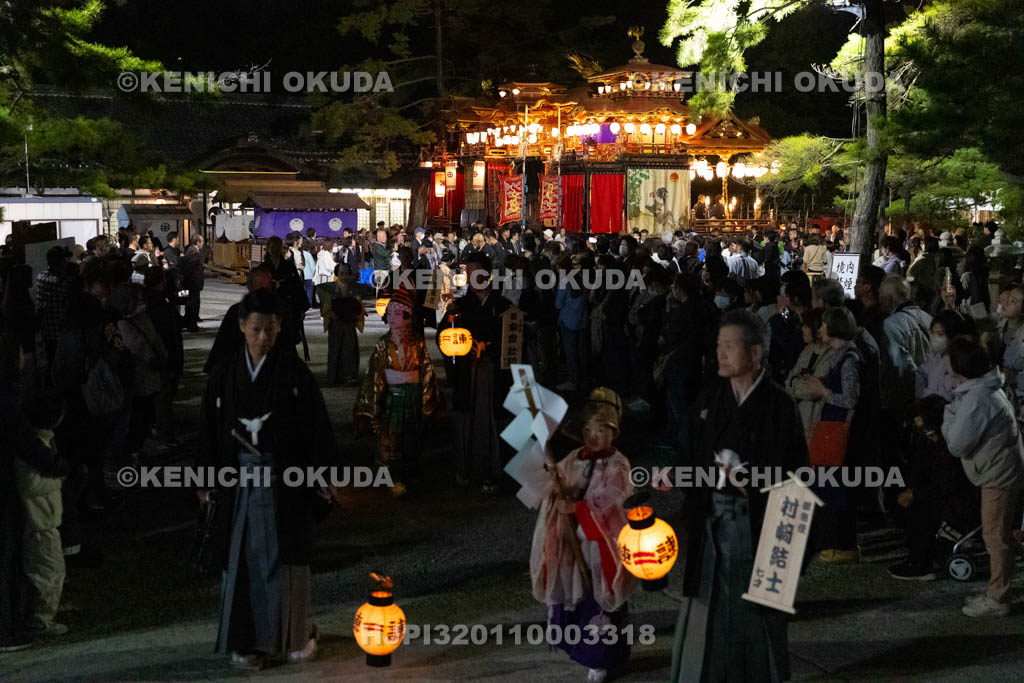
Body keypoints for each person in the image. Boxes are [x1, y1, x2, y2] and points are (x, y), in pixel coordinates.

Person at [198, 289, 340, 668]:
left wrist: (323, 473)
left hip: (287, 481)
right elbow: (209, 431)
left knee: (289, 560)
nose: (263, 338)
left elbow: (317, 427)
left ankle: (294, 637)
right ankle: (245, 642)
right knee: (241, 559)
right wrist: (205, 478)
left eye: (271, 330)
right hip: (238, 479)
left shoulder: (294, 374)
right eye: (256, 328)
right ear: (241, 326)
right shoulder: (225, 374)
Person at [671, 309, 807, 683]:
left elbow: (796, 479)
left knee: (758, 627)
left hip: (757, 528)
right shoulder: (710, 398)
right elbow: (688, 451)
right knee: (707, 617)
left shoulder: (779, 406)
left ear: (756, 353)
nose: (721, 354)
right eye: (719, 346)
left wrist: (750, 481)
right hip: (713, 528)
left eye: (730, 346)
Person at [530, 387, 634, 683]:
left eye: (601, 429)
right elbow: (553, 486)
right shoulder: (573, 458)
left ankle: (600, 658)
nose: (594, 436)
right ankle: (579, 650)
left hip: (600, 547)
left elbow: (614, 501)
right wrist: (553, 489)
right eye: (588, 429)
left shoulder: (619, 465)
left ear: (613, 432)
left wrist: (577, 507)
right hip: (570, 543)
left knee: (600, 600)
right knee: (572, 597)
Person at [941, 338, 1024, 617]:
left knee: (995, 536)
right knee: (997, 533)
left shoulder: (977, 398)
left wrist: (947, 416)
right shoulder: (981, 389)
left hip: (997, 474)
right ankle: (997, 588)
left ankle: (997, 598)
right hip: (1000, 469)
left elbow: (956, 443)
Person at [354, 288, 443, 497]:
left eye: (397, 313)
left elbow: (426, 370)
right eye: (390, 313)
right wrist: (372, 406)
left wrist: (428, 401)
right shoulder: (383, 344)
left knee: (411, 437)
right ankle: (391, 477)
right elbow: (375, 375)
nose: (392, 318)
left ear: (407, 316)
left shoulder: (417, 342)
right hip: (392, 398)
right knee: (390, 437)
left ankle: (411, 474)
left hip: (412, 396)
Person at [440, 253, 511, 492]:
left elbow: (514, 337)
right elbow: (445, 337)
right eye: (467, 274)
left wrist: (489, 346)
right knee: (464, 420)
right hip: (466, 371)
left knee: (490, 421)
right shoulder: (460, 306)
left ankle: (492, 471)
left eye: (474, 273)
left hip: (492, 373)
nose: (470, 278)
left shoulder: (502, 305)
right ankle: (465, 468)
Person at [888, 395, 979, 581]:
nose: (924, 431)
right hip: (939, 492)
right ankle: (919, 556)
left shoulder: (951, 443)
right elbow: (919, 470)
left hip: (960, 497)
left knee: (922, 510)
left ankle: (922, 563)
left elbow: (950, 482)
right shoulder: (924, 441)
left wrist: (916, 494)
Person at [15, 394, 70, 639]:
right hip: (40, 520)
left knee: (46, 569)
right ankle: (40, 619)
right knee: (49, 570)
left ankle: (39, 615)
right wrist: (57, 477)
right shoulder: (34, 447)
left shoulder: (39, 441)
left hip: (43, 518)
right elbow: (30, 483)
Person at [180, 234, 205, 332]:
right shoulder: (194, 252)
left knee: (192, 304)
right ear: (198, 242)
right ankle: (192, 325)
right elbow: (189, 269)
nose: (203, 243)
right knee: (193, 304)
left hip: (192, 283)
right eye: (201, 241)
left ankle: (191, 323)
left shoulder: (191, 250)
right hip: (193, 283)